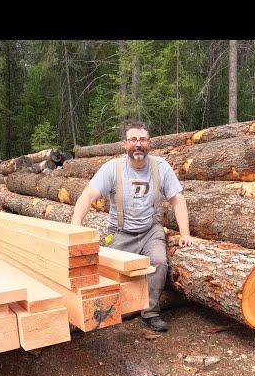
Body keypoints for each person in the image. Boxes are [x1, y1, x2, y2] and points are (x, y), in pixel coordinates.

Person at [71, 121, 192, 331]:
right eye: (134, 140)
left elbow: (177, 199)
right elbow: (87, 196)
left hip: (150, 230)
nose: (138, 144)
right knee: (105, 269)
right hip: (120, 231)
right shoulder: (112, 168)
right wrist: (74, 228)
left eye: (142, 139)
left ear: (149, 143)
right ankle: (101, 311)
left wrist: (185, 233)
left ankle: (151, 311)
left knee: (159, 262)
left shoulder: (160, 167)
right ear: (125, 144)